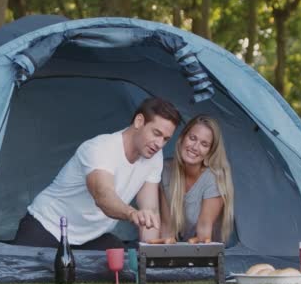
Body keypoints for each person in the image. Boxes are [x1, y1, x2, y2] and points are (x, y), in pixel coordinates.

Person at [12, 97, 182, 250]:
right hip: (47, 227)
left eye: (166, 139)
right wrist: (132, 214)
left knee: (123, 264)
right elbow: (103, 197)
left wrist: (150, 253)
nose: (159, 144)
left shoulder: (154, 157)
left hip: (91, 238)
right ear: (139, 121)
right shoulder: (100, 148)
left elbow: (150, 211)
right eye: (156, 133)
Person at [158, 115, 234, 243]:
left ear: (210, 152)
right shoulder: (165, 170)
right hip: (180, 246)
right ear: (182, 138)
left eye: (204, 144)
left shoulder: (213, 178)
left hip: (208, 250)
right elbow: (167, 225)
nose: (195, 147)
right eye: (192, 138)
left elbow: (204, 233)